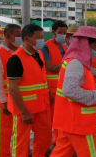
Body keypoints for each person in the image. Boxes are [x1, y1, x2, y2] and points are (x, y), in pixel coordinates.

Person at [50, 26, 96, 157]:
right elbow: (69, 90)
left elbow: (82, 85)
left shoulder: (78, 62)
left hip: (69, 121)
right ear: (85, 44)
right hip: (80, 124)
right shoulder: (76, 63)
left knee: (61, 153)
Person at [7, 24, 54, 157]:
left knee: (43, 139)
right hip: (25, 109)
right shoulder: (16, 59)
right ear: (27, 38)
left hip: (42, 106)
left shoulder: (38, 54)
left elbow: (43, 77)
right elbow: (12, 88)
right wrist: (24, 112)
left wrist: (49, 94)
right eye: (39, 38)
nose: (42, 41)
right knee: (21, 142)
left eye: (43, 38)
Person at [0, 24, 22, 156]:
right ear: (8, 36)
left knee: (16, 131)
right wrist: (4, 102)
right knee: (3, 133)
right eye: (18, 35)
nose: (20, 38)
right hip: (3, 102)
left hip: (16, 100)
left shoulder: (18, 52)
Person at [41, 20, 68, 155]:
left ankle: (58, 142)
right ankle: (48, 145)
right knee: (50, 120)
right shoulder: (45, 47)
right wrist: (65, 64)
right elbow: (49, 68)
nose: (62, 35)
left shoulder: (64, 47)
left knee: (60, 118)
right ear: (53, 32)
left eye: (64, 33)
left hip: (62, 89)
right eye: (60, 32)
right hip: (51, 90)